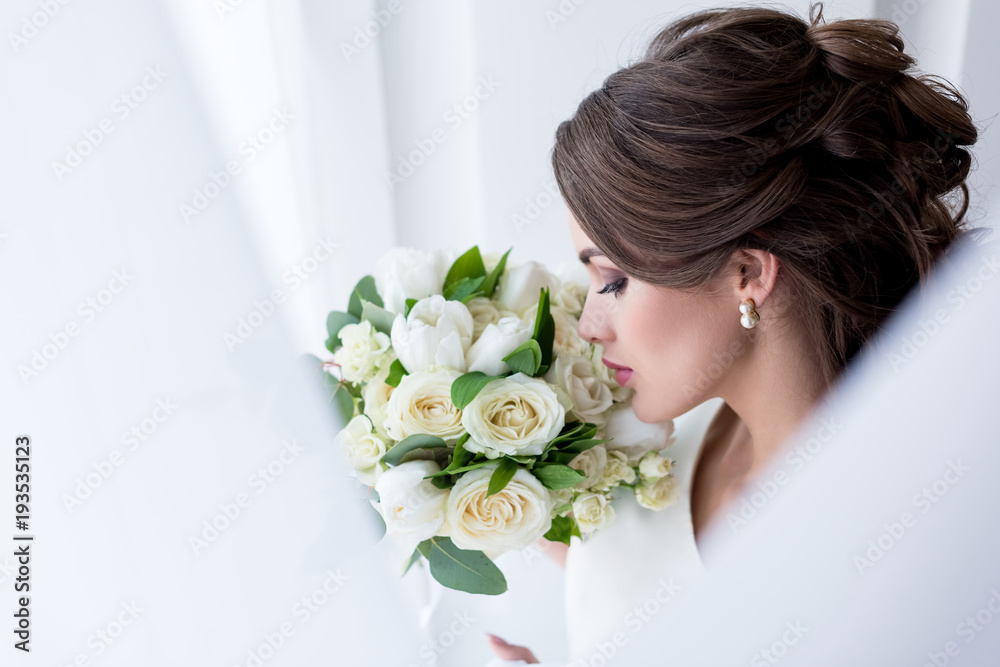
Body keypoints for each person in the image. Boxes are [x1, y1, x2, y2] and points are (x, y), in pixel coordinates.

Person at [487, 2, 989, 663]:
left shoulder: (887, 552)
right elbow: (628, 587)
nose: (588, 325)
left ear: (748, 272)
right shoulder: (655, 444)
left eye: (612, 281)